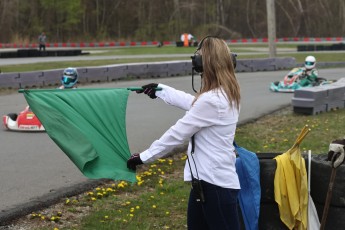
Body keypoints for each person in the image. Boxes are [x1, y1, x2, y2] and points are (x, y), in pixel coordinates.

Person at [127, 36, 241, 230]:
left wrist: (144, 157)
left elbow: (177, 133)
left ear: (207, 64)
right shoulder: (224, 94)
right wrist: (161, 90)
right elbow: (194, 104)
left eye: (199, 57)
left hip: (215, 188)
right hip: (203, 185)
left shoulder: (212, 100)